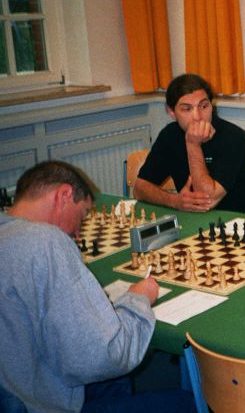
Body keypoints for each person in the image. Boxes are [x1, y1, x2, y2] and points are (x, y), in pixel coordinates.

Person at [0, 161, 193, 412]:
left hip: (22, 380)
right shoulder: (45, 242)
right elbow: (108, 354)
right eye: (81, 216)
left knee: (116, 381)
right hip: (39, 403)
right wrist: (138, 298)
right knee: (189, 403)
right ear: (64, 196)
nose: (77, 234)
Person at [134, 74, 245, 214]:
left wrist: (193, 145)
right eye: (187, 109)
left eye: (203, 106)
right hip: (191, 218)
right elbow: (139, 189)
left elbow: (207, 200)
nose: (198, 117)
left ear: (211, 106)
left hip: (236, 220)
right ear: (172, 112)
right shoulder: (169, 135)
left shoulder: (233, 137)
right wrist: (174, 201)